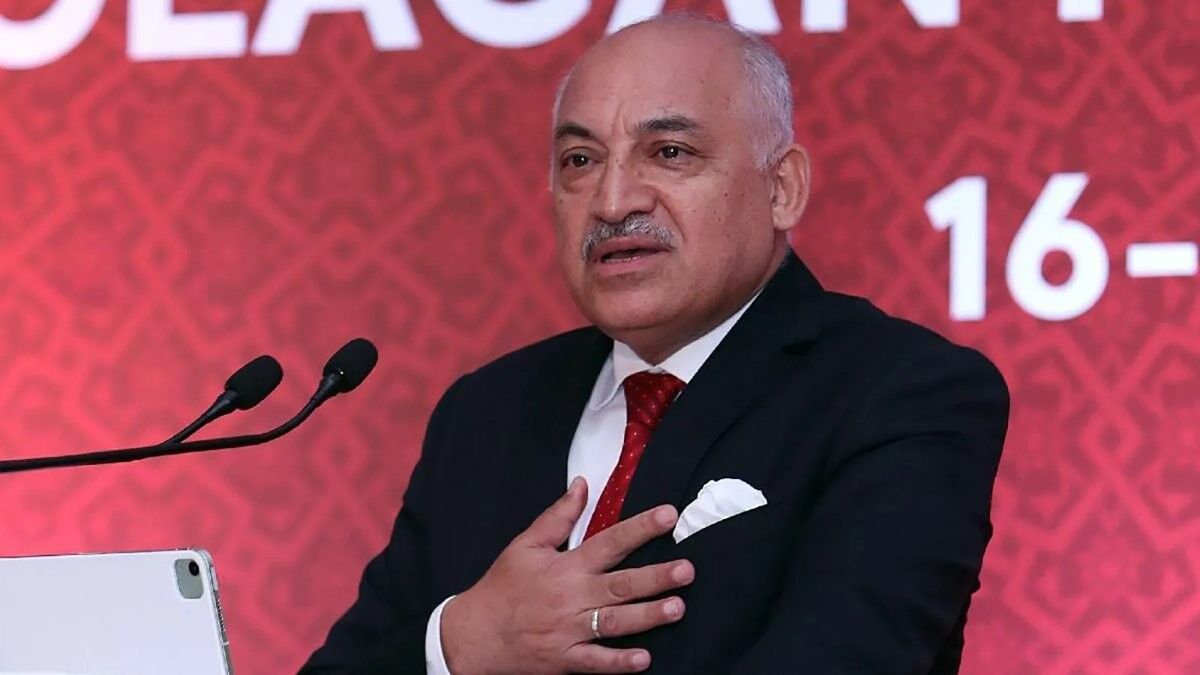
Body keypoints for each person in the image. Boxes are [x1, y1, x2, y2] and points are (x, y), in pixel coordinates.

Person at [301, 13, 1009, 675]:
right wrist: (462, 642)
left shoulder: (902, 393)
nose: (613, 202)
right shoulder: (487, 411)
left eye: (669, 152)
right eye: (580, 160)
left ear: (782, 189)